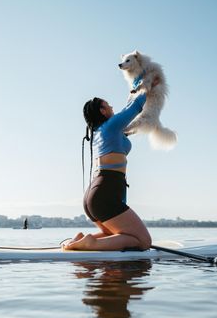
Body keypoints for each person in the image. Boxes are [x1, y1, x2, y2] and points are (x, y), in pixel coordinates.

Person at [64, 91, 153, 251]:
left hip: (94, 194)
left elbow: (128, 110)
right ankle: (92, 243)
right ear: (102, 111)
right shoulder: (111, 126)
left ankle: (79, 240)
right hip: (105, 193)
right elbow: (134, 107)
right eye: (108, 105)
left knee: (116, 233)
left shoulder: (101, 132)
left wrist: (136, 85)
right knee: (143, 241)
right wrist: (148, 86)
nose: (112, 107)